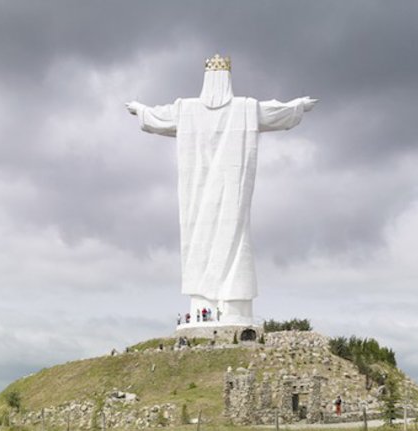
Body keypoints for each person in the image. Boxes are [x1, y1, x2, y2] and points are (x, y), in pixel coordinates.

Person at [126, 54, 316, 324]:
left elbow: (158, 116)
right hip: (211, 194)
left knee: (227, 238)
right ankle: (219, 307)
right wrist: (298, 106)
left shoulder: (190, 109)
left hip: (216, 194)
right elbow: (274, 111)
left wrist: (140, 109)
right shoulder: (242, 107)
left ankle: (230, 307)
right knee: (216, 239)